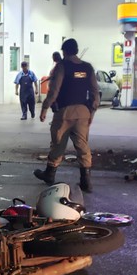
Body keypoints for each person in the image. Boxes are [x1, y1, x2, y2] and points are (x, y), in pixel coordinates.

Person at [33, 38, 100, 193]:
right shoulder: (87, 68)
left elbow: (54, 90)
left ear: (64, 51)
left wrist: (44, 108)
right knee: (83, 145)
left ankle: (50, 175)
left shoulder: (62, 66)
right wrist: (91, 113)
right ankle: (86, 182)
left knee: (58, 143)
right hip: (83, 112)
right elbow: (95, 92)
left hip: (64, 113)